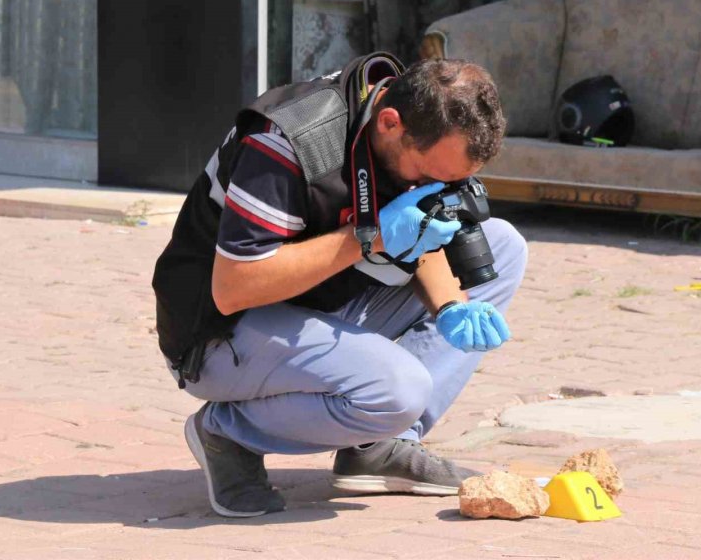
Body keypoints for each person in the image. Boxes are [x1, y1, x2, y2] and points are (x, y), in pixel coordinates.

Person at [152, 53, 528, 518]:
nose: (434, 189)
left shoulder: (403, 124)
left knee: (503, 245)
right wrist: (370, 237)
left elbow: (421, 222)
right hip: (218, 330)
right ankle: (227, 430)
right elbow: (234, 287)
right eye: (429, 177)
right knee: (398, 391)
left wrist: (450, 305)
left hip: (317, 300)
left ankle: (379, 446)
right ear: (390, 123)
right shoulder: (288, 141)